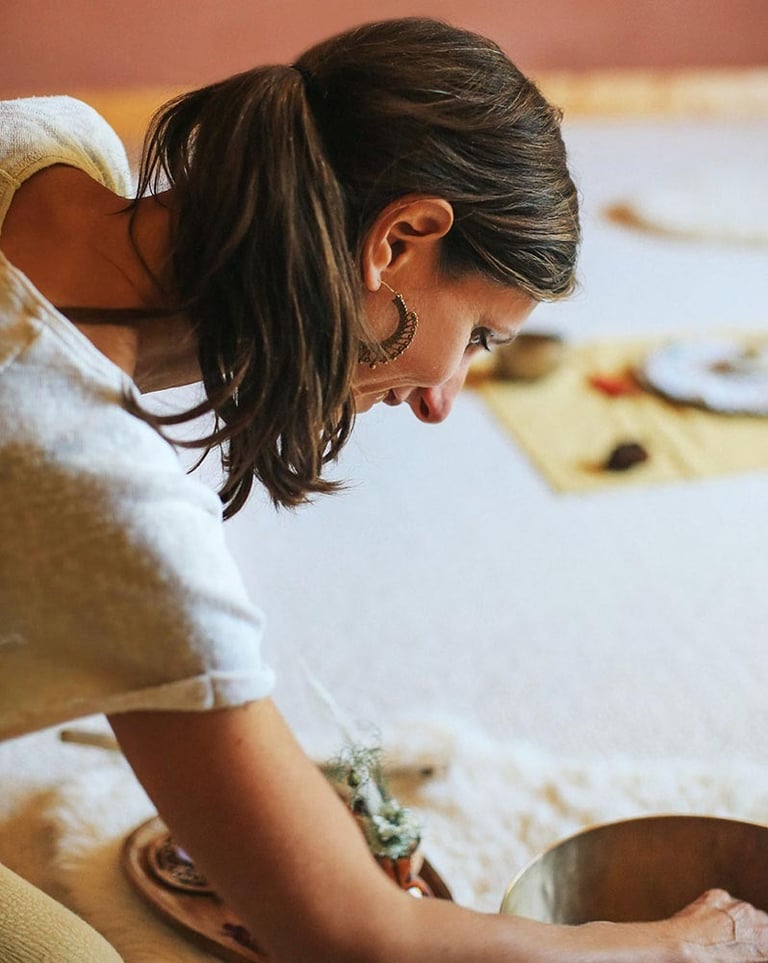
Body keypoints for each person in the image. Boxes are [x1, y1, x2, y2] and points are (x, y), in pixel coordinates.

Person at [1, 15, 766, 963]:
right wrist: (674, 946)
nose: (445, 402)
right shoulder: (98, 484)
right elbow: (361, 937)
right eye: (479, 336)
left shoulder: (46, 139)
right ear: (400, 237)